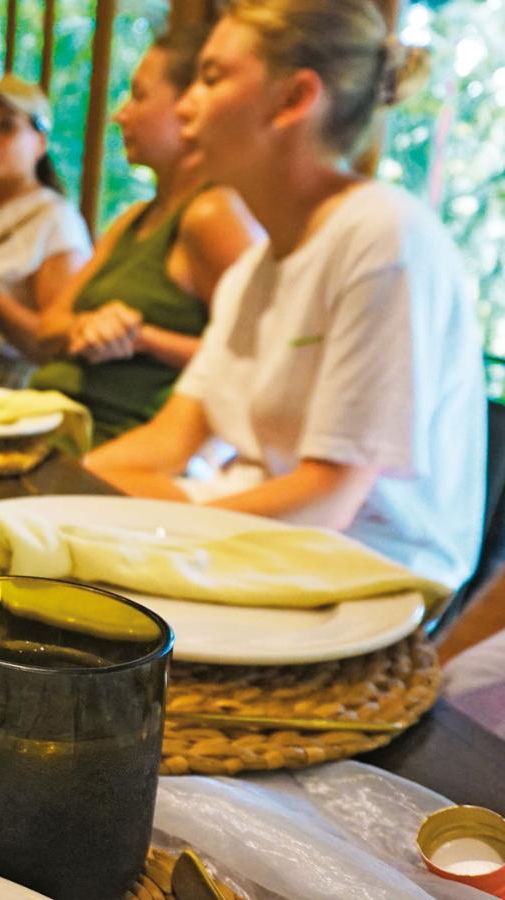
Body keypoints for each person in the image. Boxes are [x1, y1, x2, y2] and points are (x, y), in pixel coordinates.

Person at [86, 0, 485, 588]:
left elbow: (329, 498)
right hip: (268, 542)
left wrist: (157, 536)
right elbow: (171, 438)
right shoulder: (255, 269)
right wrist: (47, 491)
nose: (187, 104)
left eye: (212, 78)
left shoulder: (382, 236)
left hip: (361, 574)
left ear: (294, 99)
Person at [27, 27, 261, 445]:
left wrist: (141, 338)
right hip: (50, 418)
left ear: (190, 107)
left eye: (138, 95)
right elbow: (49, 329)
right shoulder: (134, 217)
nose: (120, 115)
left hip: (111, 439)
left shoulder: (210, 214)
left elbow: (254, 362)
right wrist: (90, 324)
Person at [0, 74, 92, 386]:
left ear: (40, 142)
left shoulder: (57, 220)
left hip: (15, 383)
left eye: (6, 127)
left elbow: (55, 344)